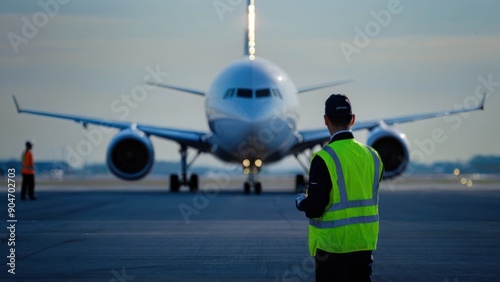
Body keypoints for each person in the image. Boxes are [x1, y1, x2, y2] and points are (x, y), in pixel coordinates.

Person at [296, 94, 383, 282]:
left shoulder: (324, 158)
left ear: (326, 120)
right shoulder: (373, 155)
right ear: (353, 119)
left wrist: (302, 202)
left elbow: (316, 208)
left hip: (332, 248)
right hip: (363, 244)